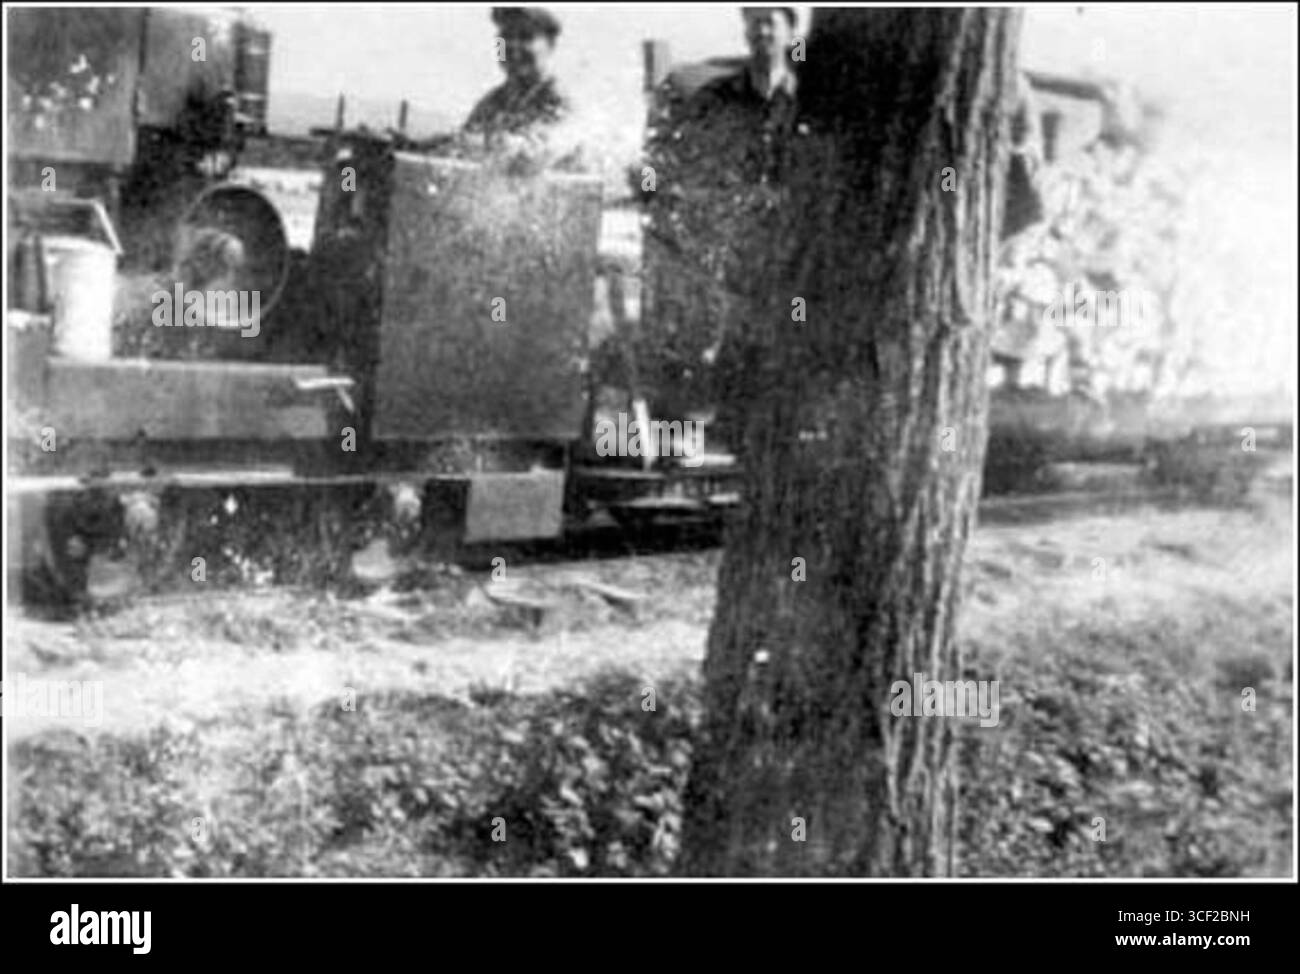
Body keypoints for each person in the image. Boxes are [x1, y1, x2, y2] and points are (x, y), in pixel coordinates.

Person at [638, 6, 807, 452]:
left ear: (793, 32)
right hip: (726, 249)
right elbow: (667, 153)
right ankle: (691, 444)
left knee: (780, 349)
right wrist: (649, 181)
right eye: (754, 21)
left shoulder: (811, 100)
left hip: (790, 256)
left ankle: (762, 447)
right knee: (705, 347)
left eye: (772, 21)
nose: (762, 30)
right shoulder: (715, 99)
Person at [462, 7, 582, 172]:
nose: (513, 47)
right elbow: (463, 144)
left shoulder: (561, 100)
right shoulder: (492, 102)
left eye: (526, 37)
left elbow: (542, 152)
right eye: (504, 38)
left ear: (550, 46)